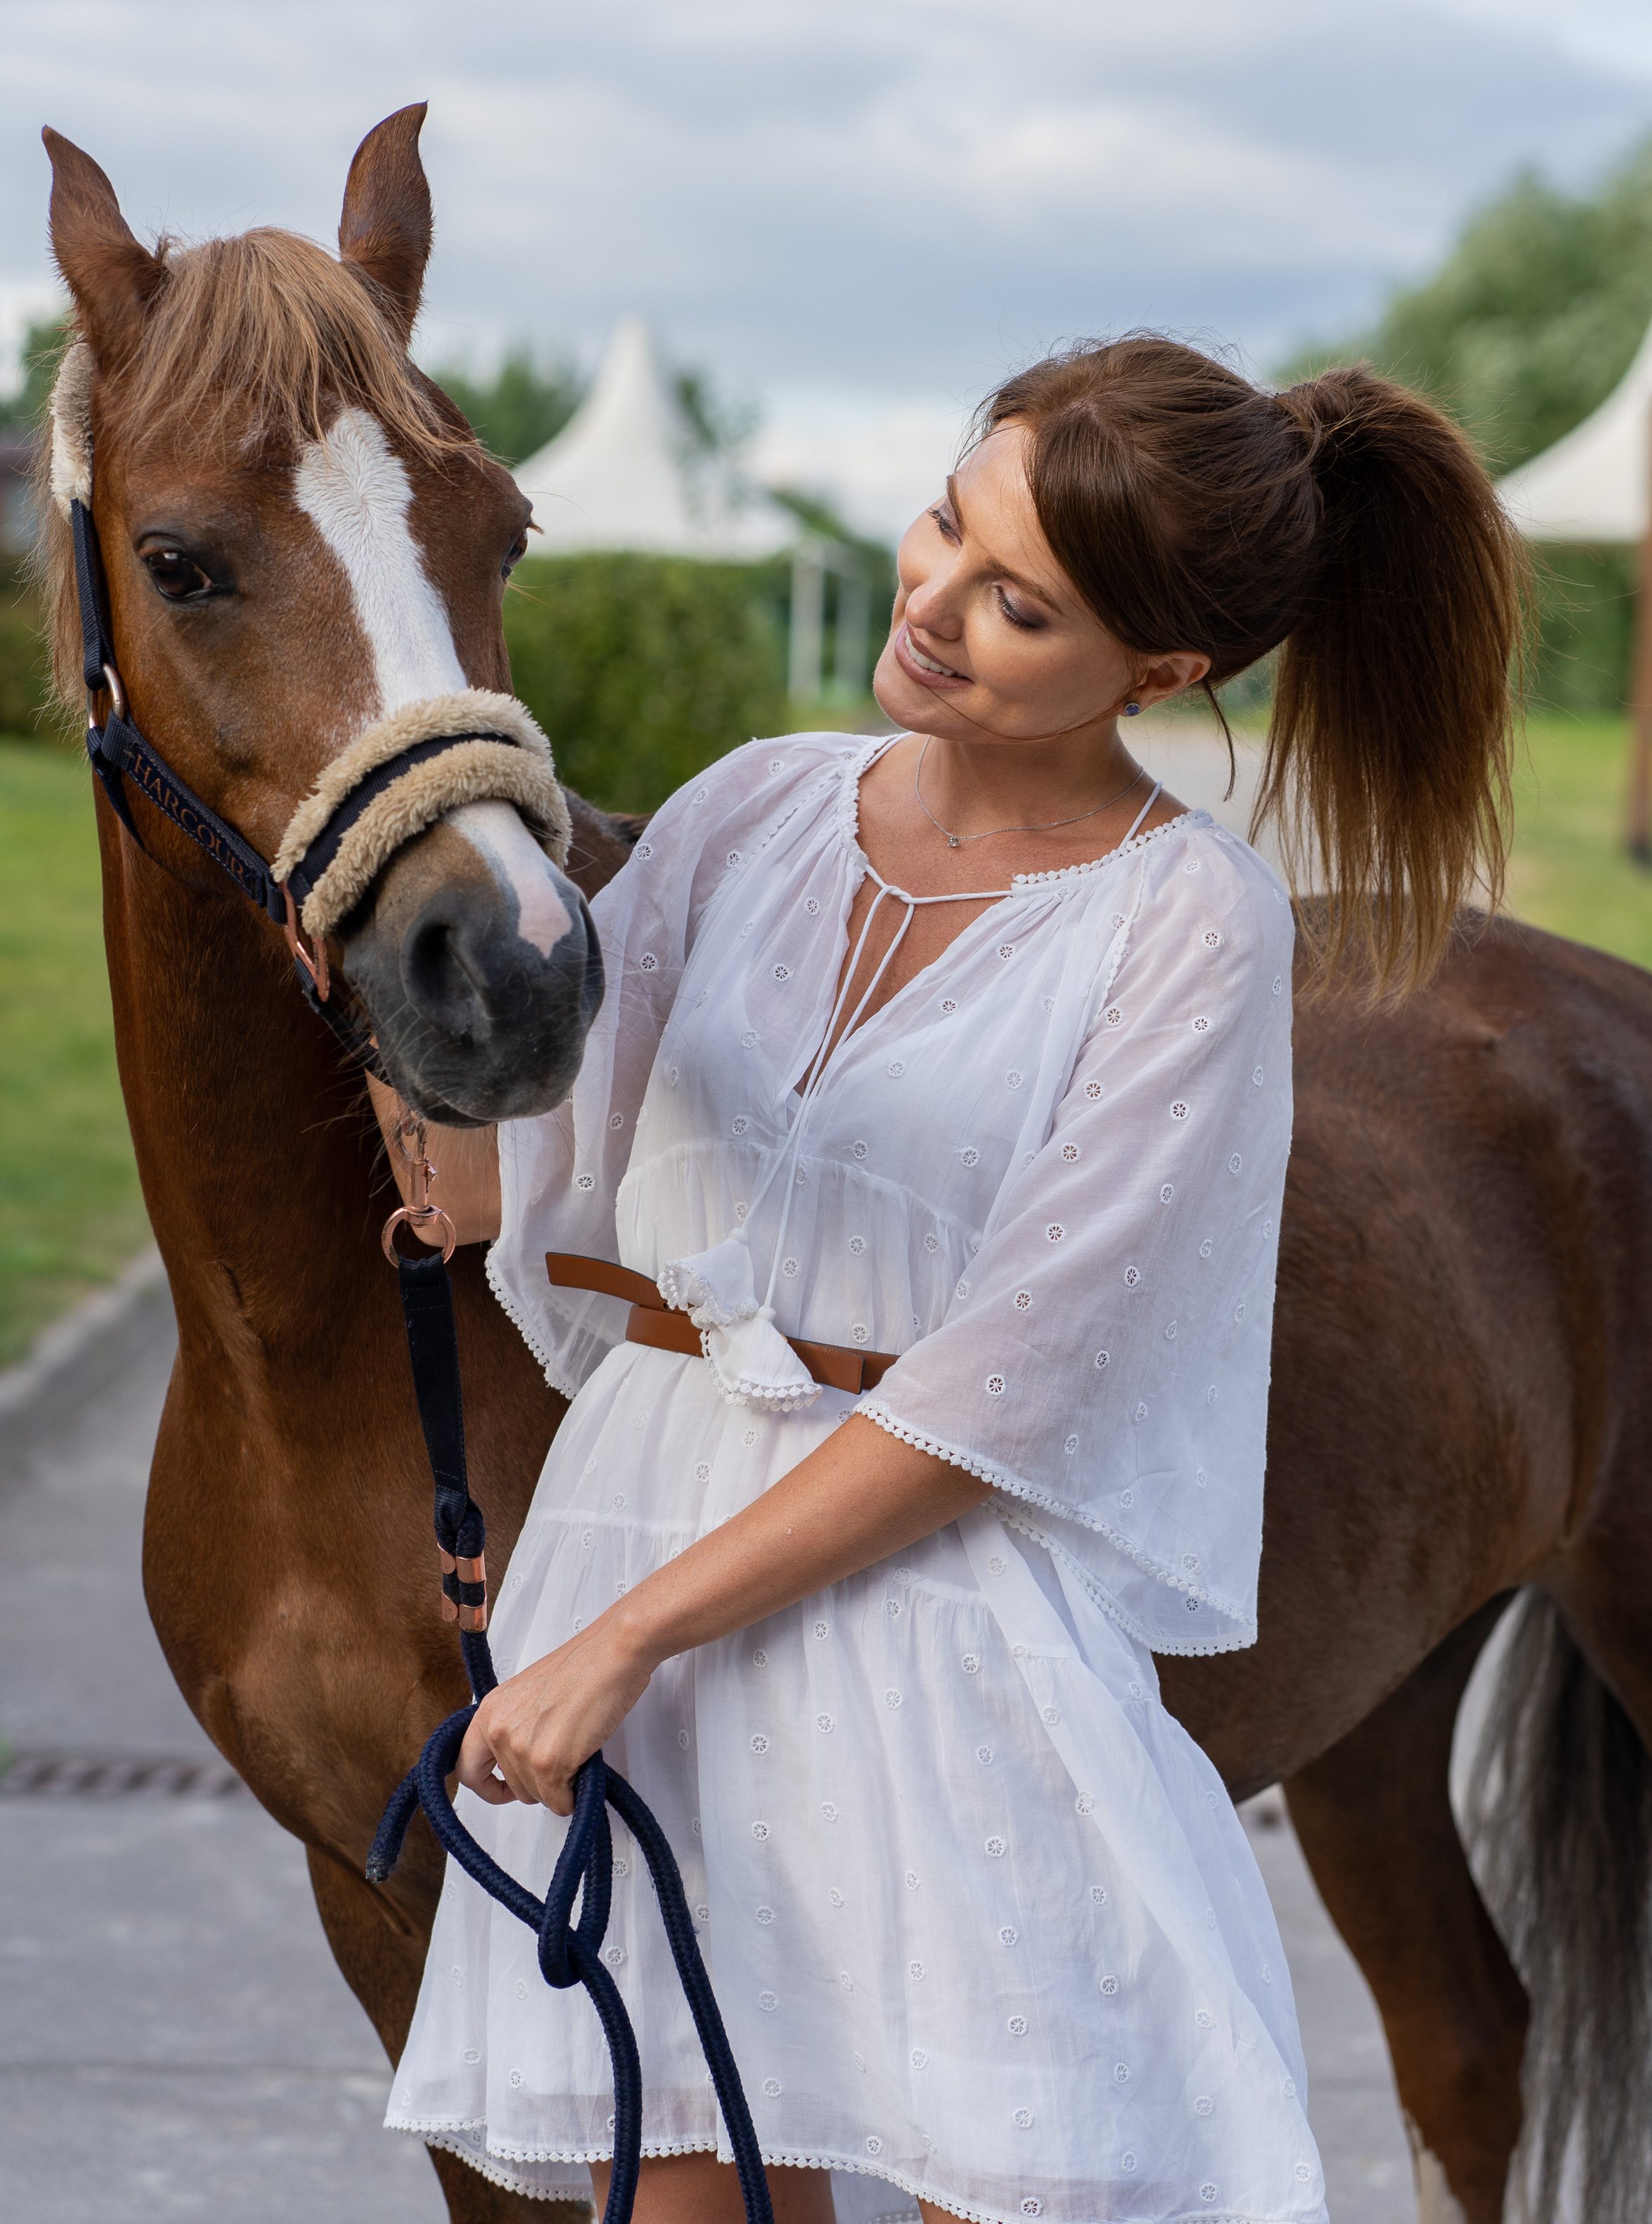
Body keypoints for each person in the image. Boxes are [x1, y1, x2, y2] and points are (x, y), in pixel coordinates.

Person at [381, 336, 1523, 2223]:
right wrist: (408, 947)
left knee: (1010, 2172)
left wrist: (626, 1638)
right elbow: (537, 1143)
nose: (939, 607)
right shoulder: (751, 808)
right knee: (676, 2179)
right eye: (944, 526)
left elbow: (1010, 1393)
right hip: (646, 1519)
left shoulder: (1188, 924)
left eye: (1023, 606)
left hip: (929, 1624)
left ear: (1166, 674)